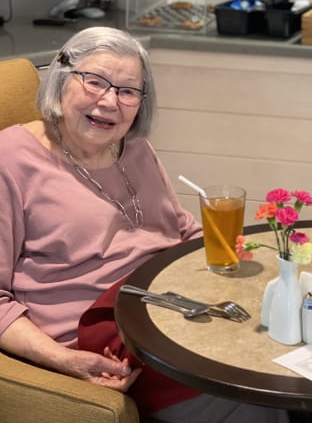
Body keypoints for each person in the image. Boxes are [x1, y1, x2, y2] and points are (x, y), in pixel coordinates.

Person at [0, 27, 289, 422]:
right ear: (61, 78)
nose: (108, 102)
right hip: (105, 335)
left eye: (127, 91)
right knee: (258, 395)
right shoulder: (11, 160)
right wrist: (65, 361)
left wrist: (245, 258)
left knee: (296, 351)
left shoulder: (134, 147)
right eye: (95, 81)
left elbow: (179, 229)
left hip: (174, 305)